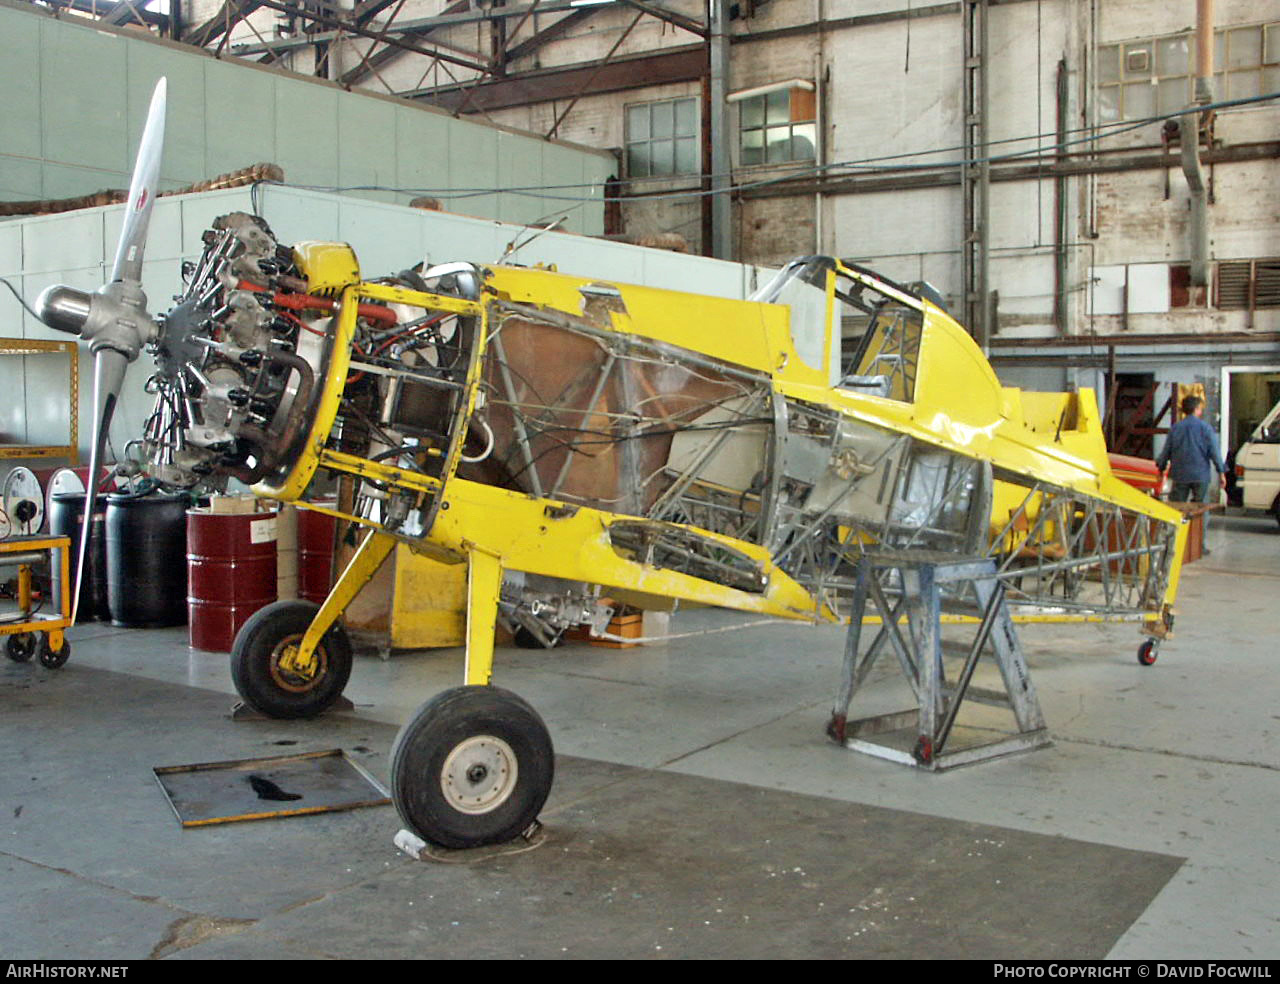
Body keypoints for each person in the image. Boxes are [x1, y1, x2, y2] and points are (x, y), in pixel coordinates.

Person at [1156, 394, 1226, 555]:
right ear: (1197, 409)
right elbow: (1214, 452)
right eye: (1201, 408)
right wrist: (1221, 472)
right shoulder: (1205, 428)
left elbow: (1166, 451)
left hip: (1180, 474)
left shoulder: (1176, 428)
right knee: (1200, 510)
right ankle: (1198, 546)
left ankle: (1174, 546)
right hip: (1200, 475)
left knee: (1176, 509)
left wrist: (1161, 469)